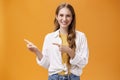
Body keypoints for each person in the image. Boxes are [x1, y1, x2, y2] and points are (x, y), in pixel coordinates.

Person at [24, 2, 89, 80]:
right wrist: (36, 51)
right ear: (57, 16)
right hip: (54, 78)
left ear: (72, 18)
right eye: (61, 15)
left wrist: (69, 51)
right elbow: (47, 64)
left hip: (73, 77)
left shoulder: (81, 37)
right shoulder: (49, 38)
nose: (64, 19)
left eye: (68, 16)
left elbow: (83, 63)